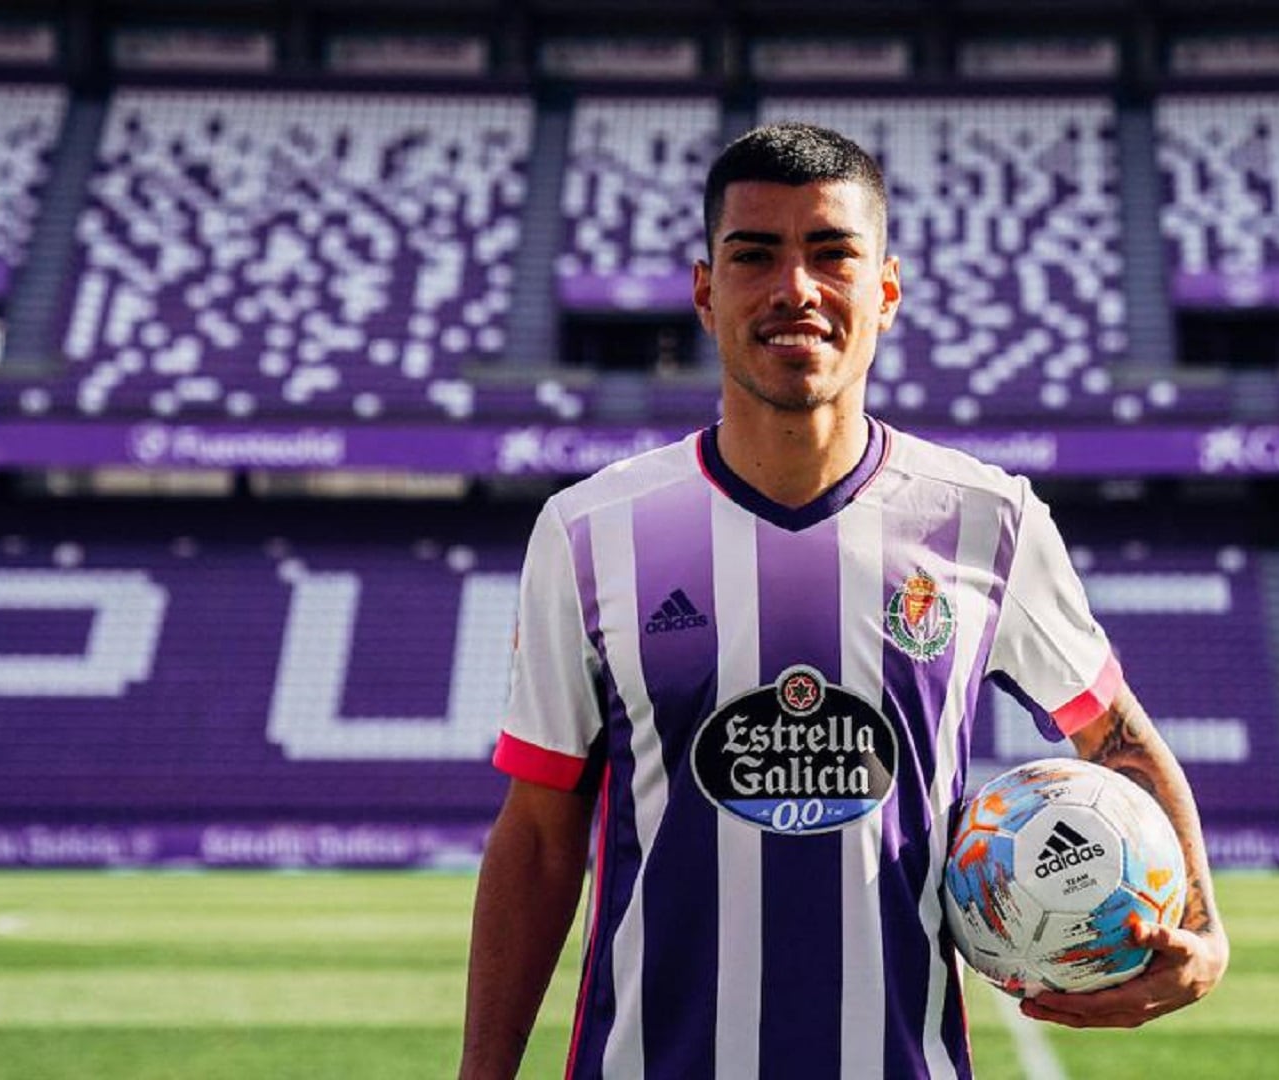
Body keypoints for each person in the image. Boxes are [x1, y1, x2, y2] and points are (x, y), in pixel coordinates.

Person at [460, 122, 1228, 1079]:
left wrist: (1201, 930)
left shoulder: (989, 520)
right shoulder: (587, 532)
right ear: (705, 293)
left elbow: (1114, 739)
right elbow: (538, 840)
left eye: (832, 254)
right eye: (754, 256)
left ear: (886, 291)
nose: (795, 289)